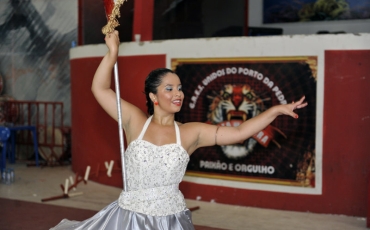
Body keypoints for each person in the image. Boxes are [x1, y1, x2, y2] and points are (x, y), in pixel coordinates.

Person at [50, 30, 307, 230]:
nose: (178, 94)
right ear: (153, 96)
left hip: (170, 222)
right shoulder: (134, 121)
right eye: (169, 89)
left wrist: (274, 111)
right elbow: (100, 89)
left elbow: (239, 133)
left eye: (180, 88)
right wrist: (112, 53)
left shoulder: (190, 132)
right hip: (129, 219)